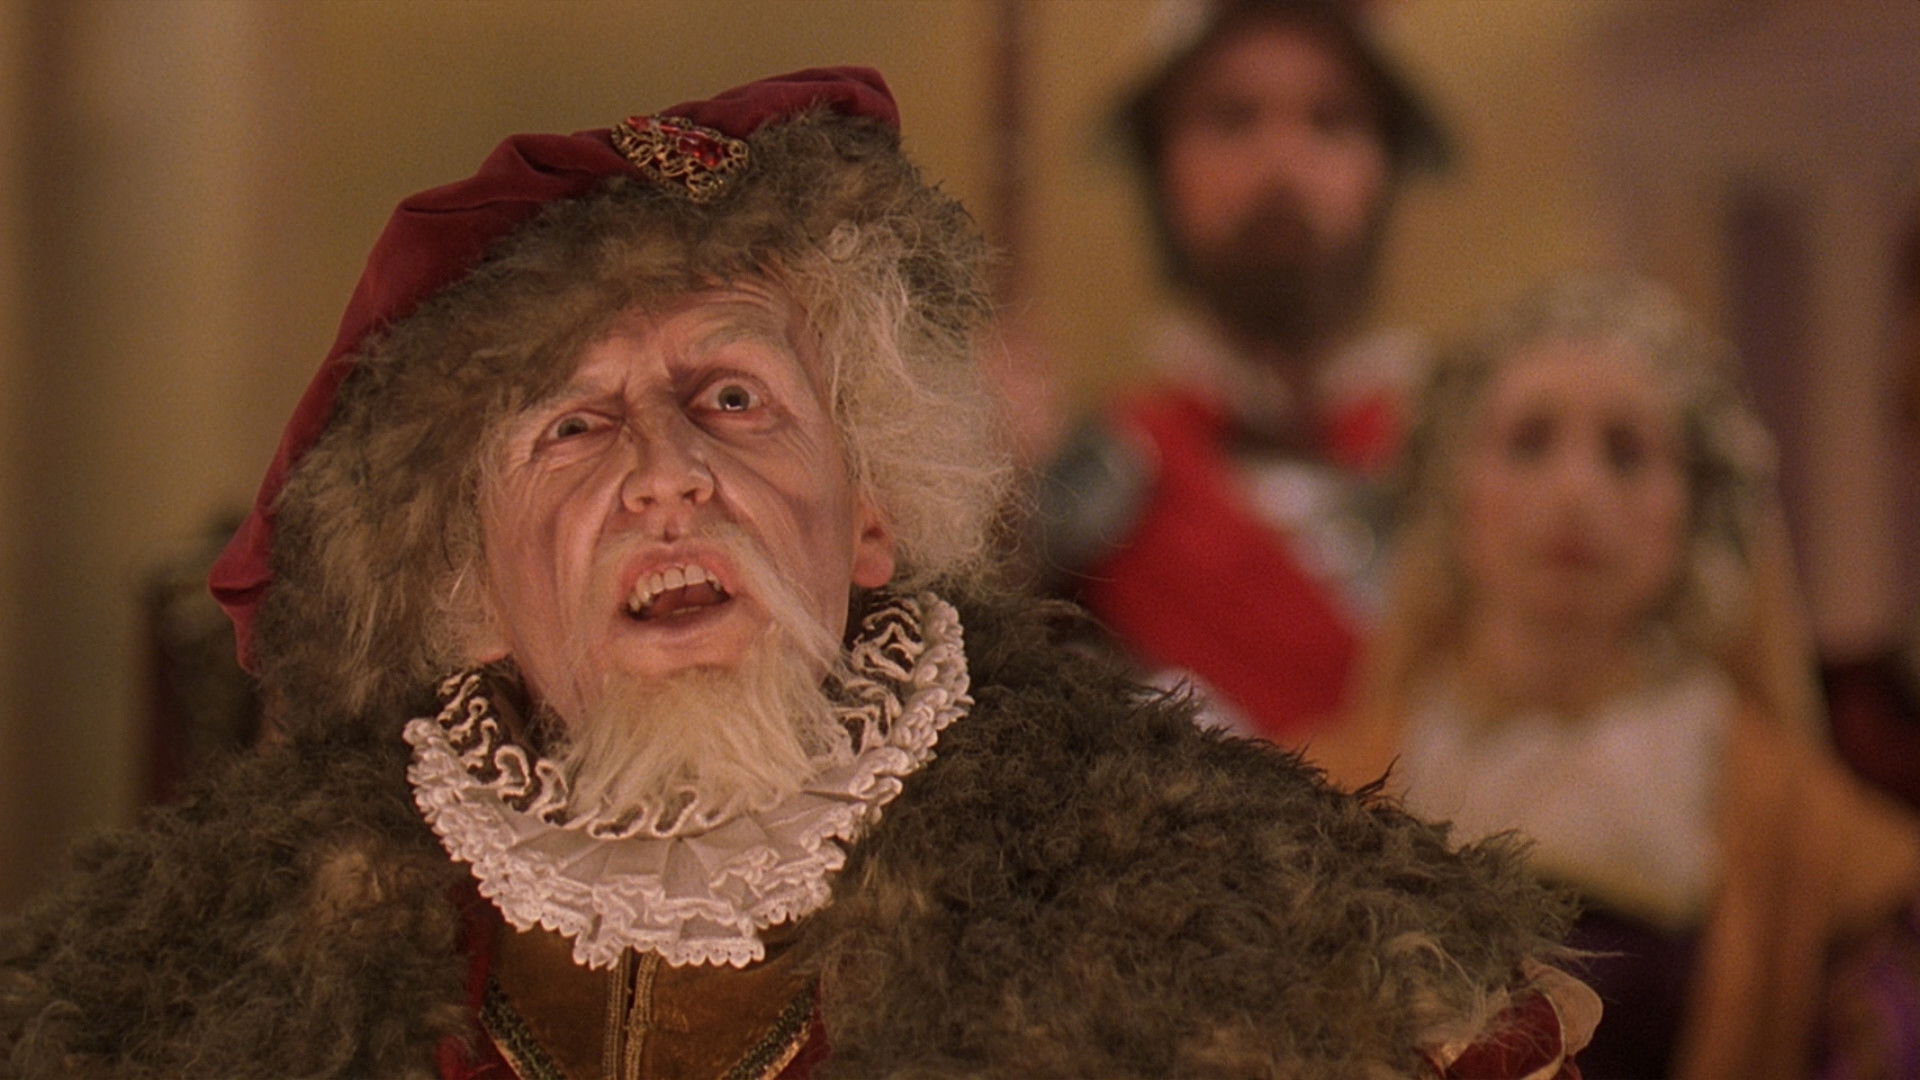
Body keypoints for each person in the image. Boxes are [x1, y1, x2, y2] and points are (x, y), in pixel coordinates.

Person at [0, 69, 1595, 1079]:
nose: (668, 474)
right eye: (572, 428)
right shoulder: (201, 969)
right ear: (466, 584)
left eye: (734, 397)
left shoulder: (1228, 902)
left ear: (871, 514)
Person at [1310, 272, 1920, 1079]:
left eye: (1627, 453)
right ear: (1452, 484)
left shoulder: (1793, 820)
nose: (1576, 491)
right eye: (1529, 441)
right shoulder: (1328, 793)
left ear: (1694, 508)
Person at [1037, 0, 1449, 743]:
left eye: (1331, 120)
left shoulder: (1466, 479)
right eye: (1231, 119)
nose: (1282, 164)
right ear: (1161, 166)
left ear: (1385, 167)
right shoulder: (1078, 502)